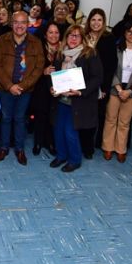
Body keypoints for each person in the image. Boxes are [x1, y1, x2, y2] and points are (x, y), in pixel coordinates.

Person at [0, 11, 45, 166]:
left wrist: (22, 86)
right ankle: (4, 147)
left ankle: (20, 149)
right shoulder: (2, 40)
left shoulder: (36, 42)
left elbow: (39, 67)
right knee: (6, 117)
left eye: (23, 22)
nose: (19, 25)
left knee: (20, 118)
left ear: (28, 24)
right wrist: (10, 86)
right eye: (16, 22)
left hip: (25, 89)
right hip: (5, 88)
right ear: (11, 23)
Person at [49, 25, 103, 172]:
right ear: (66, 37)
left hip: (79, 101)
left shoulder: (90, 54)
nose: (73, 39)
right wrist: (53, 88)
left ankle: (75, 160)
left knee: (70, 132)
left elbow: (97, 78)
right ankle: (61, 156)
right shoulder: (60, 54)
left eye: (77, 36)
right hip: (61, 100)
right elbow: (55, 77)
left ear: (82, 38)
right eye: (70, 35)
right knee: (58, 130)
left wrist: (81, 92)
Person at [102, 20, 132, 163]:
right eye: (129, 31)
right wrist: (119, 88)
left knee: (125, 122)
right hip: (116, 88)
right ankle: (108, 147)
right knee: (111, 119)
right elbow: (111, 68)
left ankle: (121, 149)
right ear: (124, 33)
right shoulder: (116, 49)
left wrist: (130, 90)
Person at [85, 8, 118, 157]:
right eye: (93, 19)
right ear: (89, 21)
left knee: (97, 115)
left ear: (104, 22)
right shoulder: (84, 36)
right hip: (83, 81)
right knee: (83, 113)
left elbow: (111, 65)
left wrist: (104, 87)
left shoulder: (109, 38)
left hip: (100, 84)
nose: (96, 23)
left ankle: (93, 144)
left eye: (99, 20)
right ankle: (83, 142)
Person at [30, 22, 62, 155]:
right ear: (45, 34)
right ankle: (38, 142)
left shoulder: (64, 49)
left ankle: (50, 143)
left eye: (56, 32)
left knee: (53, 116)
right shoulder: (39, 48)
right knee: (40, 115)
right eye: (50, 32)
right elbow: (31, 68)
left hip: (59, 88)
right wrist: (43, 71)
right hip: (41, 86)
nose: (53, 35)